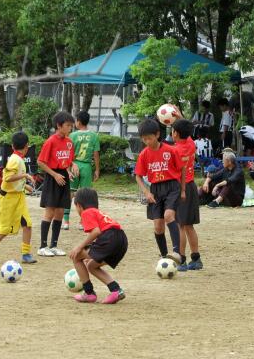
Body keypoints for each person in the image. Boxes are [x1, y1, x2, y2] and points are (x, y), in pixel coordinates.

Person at [0, 132, 38, 265]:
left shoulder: (17, 158)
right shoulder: (14, 160)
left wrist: (25, 187)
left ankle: (26, 254)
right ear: (27, 147)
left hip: (19, 198)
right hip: (8, 200)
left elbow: (13, 181)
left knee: (27, 224)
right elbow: (7, 178)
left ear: (12, 146)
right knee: (4, 229)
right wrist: (25, 176)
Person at [135, 119, 185, 263]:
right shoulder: (144, 154)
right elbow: (138, 176)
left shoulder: (171, 150)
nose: (147, 141)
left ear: (157, 134)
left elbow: (182, 169)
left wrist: (182, 190)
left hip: (172, 187)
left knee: (169, 215)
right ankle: (164, 257)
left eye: (149, 138)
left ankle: (177, 253)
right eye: (144, 139)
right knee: (158, 226)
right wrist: (147, 192)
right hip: (155, 189)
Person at [69, 188, 128, 304]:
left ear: (79, 206)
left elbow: (96, 232)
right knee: (91, 265)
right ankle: (116, 290)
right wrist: (90, 253)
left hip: (109, 239)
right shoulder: (98, 212)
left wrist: (79, 247)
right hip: (121, 240)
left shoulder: (87, 212)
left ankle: (89, 293)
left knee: (76, 256)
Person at [37, 111, 78, 257]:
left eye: (71, 126)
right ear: (59, 126)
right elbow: (40, 162)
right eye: (67, 126)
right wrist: (54, 175)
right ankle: (42, 246)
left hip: (63, 177)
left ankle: (53, 245)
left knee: (60, 212)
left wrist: (72, 166)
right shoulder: (50, 141)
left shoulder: (69, 142)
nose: (70, 129)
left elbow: (67, 160)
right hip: (53, 178)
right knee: (50, 212)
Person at [172, 119, 203, 271]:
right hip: (191, 186)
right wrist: (179, 115)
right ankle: (196, 259)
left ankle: (181, 260)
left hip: (180, 188)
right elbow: (187, 131)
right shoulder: (191, 144)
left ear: (175, 133)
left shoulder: (175, 150)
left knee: (180, 226)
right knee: (189, 225)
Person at [64, 110, 100, 231]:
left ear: (78, 122)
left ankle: (66, 221)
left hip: (74, 165)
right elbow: (96, 154)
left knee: (70, 193)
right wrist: (97, 170)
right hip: (86, 166)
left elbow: (68, 153)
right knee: (86, 196)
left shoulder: (72, 136)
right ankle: (82, 222)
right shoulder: (94, 136)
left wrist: (68, 168)